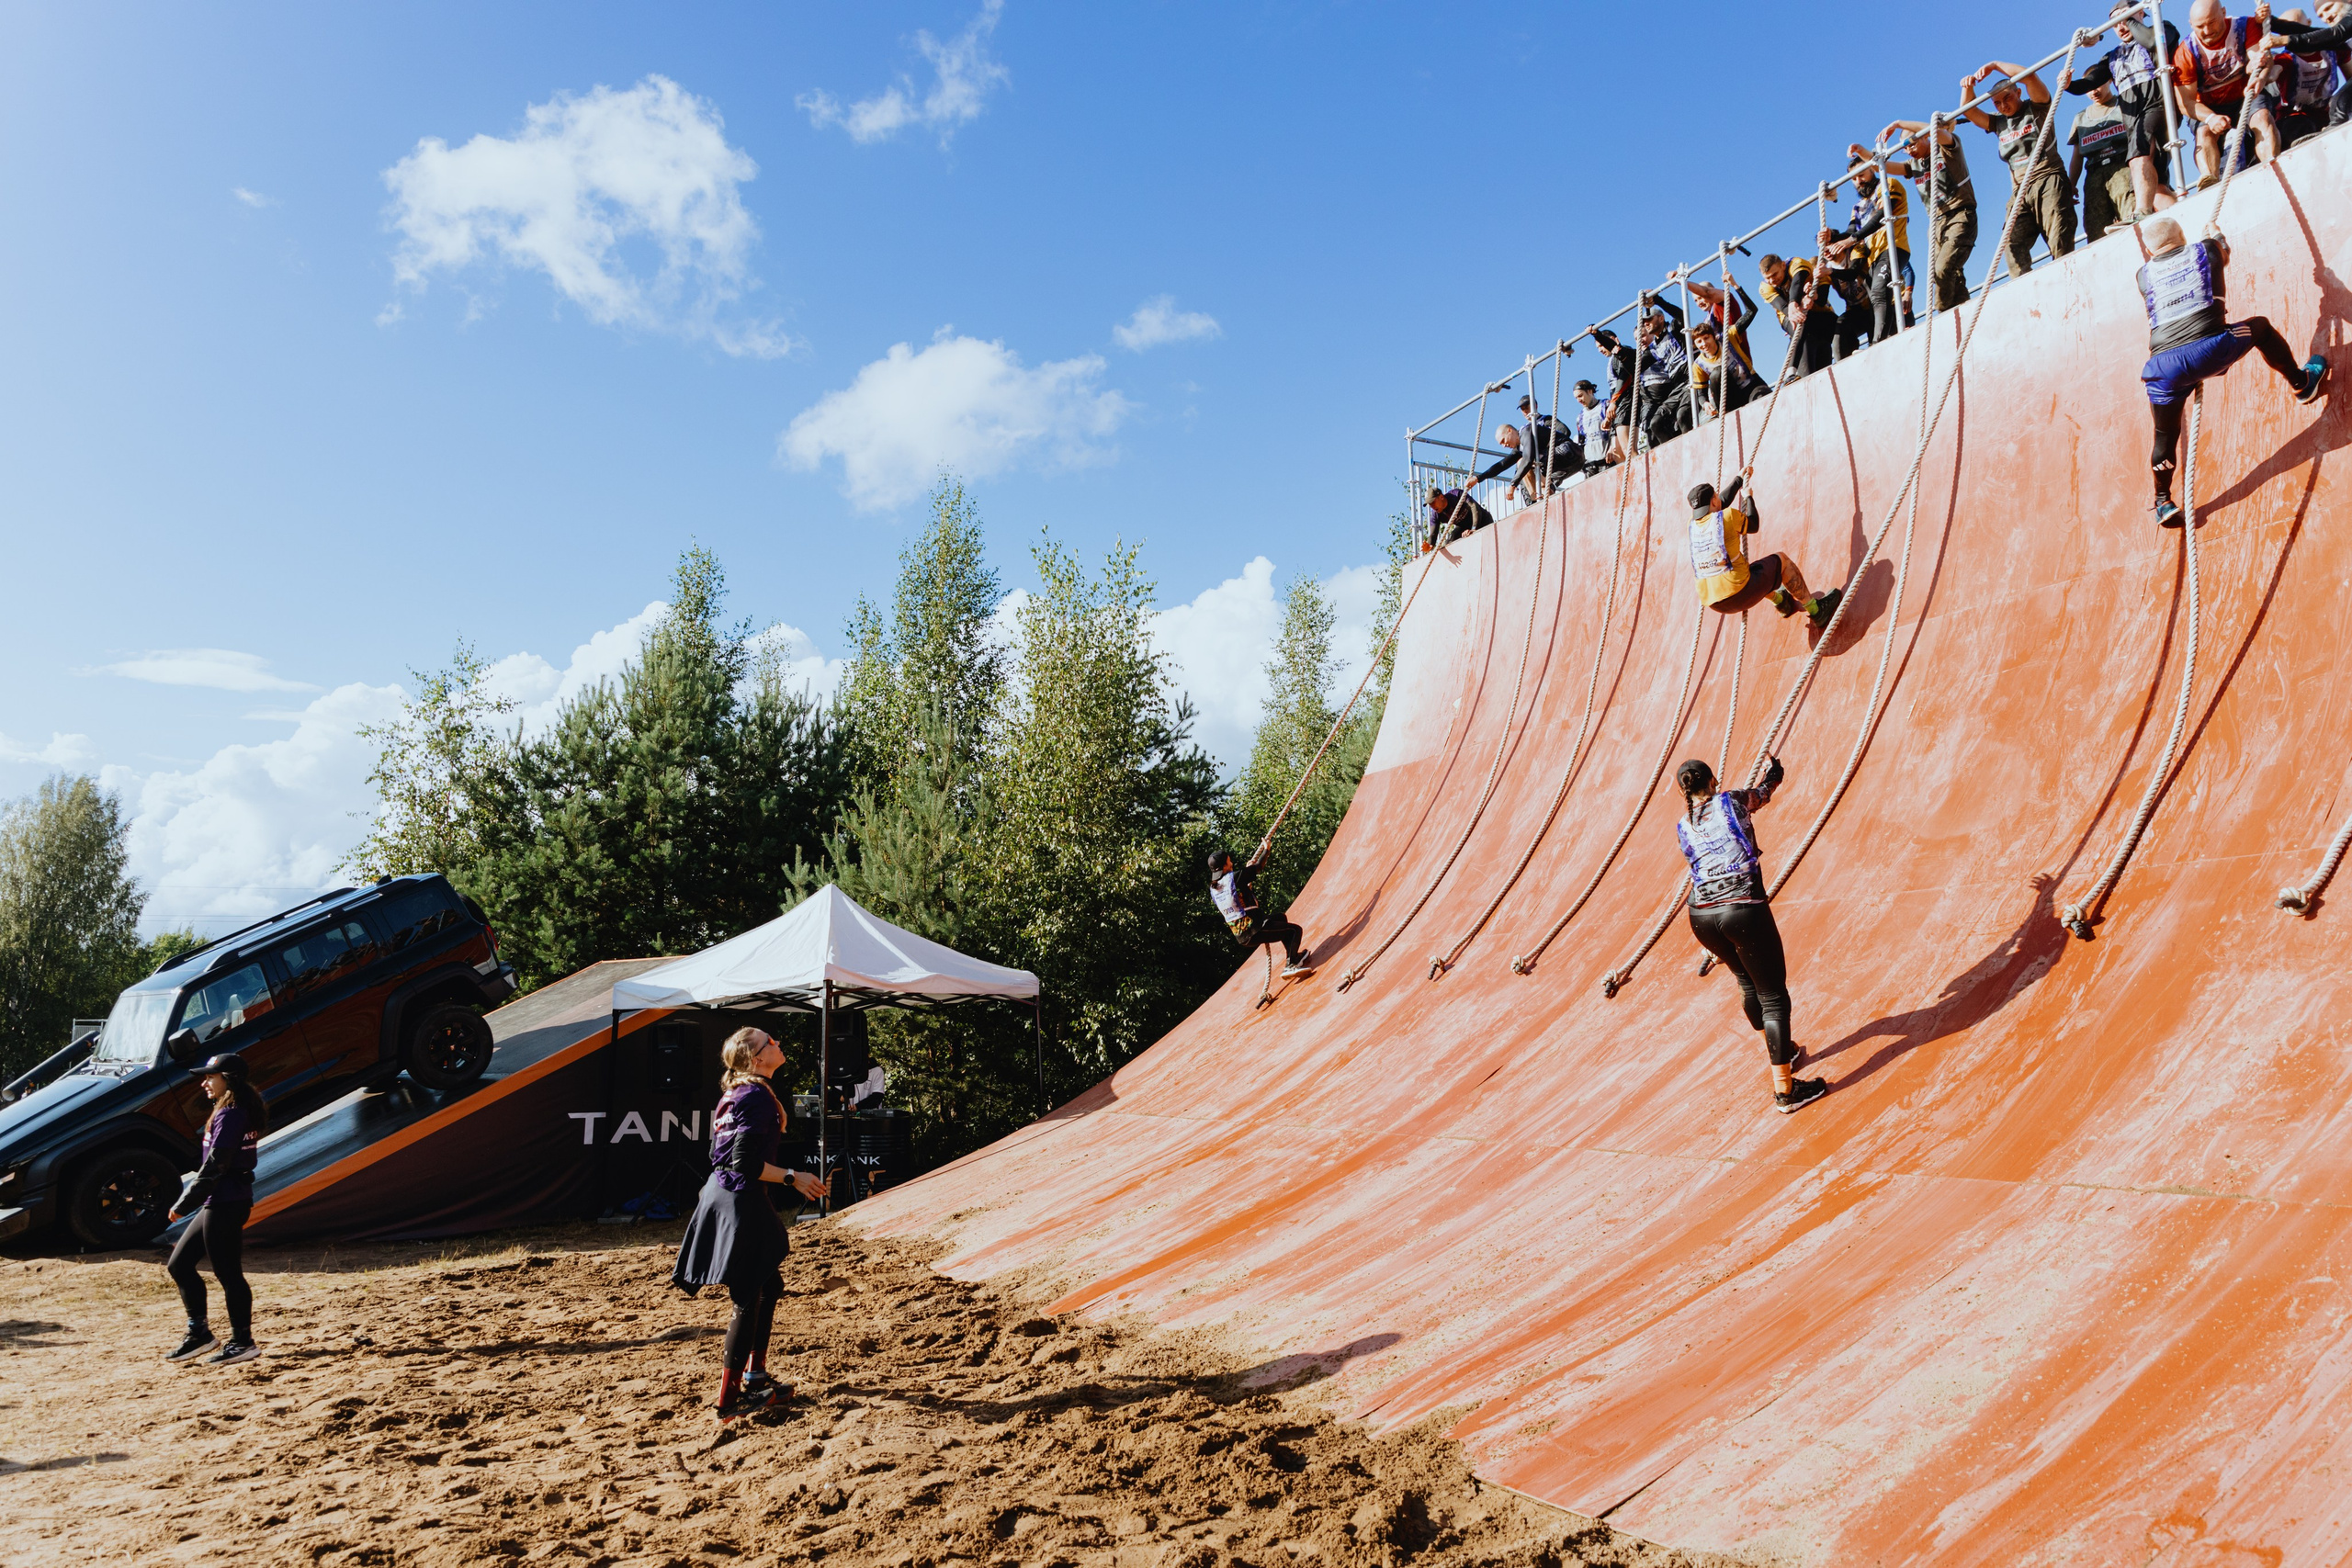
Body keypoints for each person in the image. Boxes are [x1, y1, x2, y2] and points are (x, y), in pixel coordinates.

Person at [673, 1028, 829, 1422]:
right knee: (749, 1296)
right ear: (756, 1059)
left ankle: (755, 1377)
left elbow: (717, 1154)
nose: (777, 1042)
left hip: (724, 1194)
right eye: (769, 1042)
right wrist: (795, 1176)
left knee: (768, 1285)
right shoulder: (756, 1095)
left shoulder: (736, 1093)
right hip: (738, 1197)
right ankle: (729, 1401)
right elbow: (742, 1162)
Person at [2135, 214, 2327, 526]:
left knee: (2164, 437)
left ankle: (2162, 501)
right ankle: (2302, 383)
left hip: (2163, 368)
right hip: (2212, 348)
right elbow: (2223, 252)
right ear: (2183, 234)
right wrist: (2217, 234)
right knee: (2261, 328)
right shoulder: (2206, 249)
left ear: (2150, 250)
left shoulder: (2143, 275)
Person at [1672, 756, 1827, 1115]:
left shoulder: (1683, 824)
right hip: (1743, 910)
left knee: (1746, 985)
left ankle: (1782, 1053)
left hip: (1701, 917)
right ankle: (1786, 1091)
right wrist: (1775, 775)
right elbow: (1763, 794)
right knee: (1773, 997)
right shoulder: (1731, 800)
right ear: (1712, 781)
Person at [164, 1054, 267, 1367]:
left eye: (211, 1076)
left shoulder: (233, 1114)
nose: (204, 1082)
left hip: (227, 1202)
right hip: (219, 1201)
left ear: (229, 1078)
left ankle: (242, 1342)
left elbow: (215, 1166)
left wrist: (184, 1204)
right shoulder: (228, 1109)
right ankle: (200, 1335)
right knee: (179, 1265)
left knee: (228, 1274)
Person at [2064, 1, 2183, 219]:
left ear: (2140, 13)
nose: (2120, 27)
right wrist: (2068, 83)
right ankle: (2182, 217)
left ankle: (2140, 213)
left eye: (2125, 19)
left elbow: (2151, 41)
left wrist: (2127, 18)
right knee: (2156, 188)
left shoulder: (2162, 27)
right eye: (2115, 24)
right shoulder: (2112, 56)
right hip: (2133, 119)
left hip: (2158, 107)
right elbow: (2088, 84)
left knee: (2138, 159)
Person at [1961, 61, 2079, 279]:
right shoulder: (1998, 123)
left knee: (2059, 239)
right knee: (2011, 243)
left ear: (2018, 92)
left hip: (2048, 177)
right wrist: (1967, 87)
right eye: (1997, 103)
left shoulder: (2037, 106)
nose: (2003, 105)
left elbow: (2030, 77)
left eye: (2007, 98)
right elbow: (1968, 111)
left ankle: (2067, 280)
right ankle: (2025, 288)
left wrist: (1995, 65)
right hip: (2019, 190)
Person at [1688, 469, 1842, 629]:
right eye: (1715, 496)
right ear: (1713, 501)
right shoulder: (1728, 517)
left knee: (1752, 571)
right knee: (1781, 560)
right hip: (1741, 593)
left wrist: (1739, 479)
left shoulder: (1691, 526)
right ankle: (1816, 611)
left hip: (1716, 605)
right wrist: (1748, 498)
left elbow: (1720, 504)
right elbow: (1753, 524)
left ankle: (1781, 602)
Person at [2174, 0, 2280, 184]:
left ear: (2223, 13)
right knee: (2204, 133)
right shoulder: (2185, 53)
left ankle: (2272, 168)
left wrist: (2259, 74)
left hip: (2245, 94)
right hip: (2208, 106)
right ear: (2191, 25)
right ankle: (2210, 182)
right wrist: (2210, 118)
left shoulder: (2245, 26)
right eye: (2200, 26)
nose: (2207, 31)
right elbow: (2186, 103)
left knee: (2262, 117)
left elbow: (2259, 60)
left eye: (2212, 22)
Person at [1881, 118, 1979, 311]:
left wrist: (1899, 123)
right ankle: (1962, 308)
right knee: (1949, 273)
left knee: (1942, 269)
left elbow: (1937, 132)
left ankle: (1942, 311)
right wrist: (1862, 153)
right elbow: (1882, 168)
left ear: (1925, 137)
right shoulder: (1913, 165)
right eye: (1905, 148)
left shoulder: (1946, 149)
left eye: (1912, 143)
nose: (1910, 150)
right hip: (1936, 224)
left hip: (1959, 214)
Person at [1824, 153, 1914, 343]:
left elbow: (1881, 216)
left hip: (1893, 246)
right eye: (1854, 179)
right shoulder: (1858, 206)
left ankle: (1878, 342)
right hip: (1873, 256)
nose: (1858, 181)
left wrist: (1852, 240)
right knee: (1877, 298)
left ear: (1873, 169)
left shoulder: (1888, 185)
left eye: (1862, 175)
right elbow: (1850, 231)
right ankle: (1887, 338)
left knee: (1879, 292)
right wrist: (1832, 236)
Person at [1207, 847, 1310, 976]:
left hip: (1242, 935)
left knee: (1280, 918)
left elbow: (1237, 895)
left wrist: (1245, 876)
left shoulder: (1215, 888)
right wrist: (1266, 850)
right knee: (1295, 931)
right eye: (1229, 861)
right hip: (1254, 930)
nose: (1232, 864)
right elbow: (1259, 867)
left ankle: (1294, 957)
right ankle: (1290, 966)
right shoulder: (1233, 878)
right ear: (1224, 866)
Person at [2068, 81, 2141, 241]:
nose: (2093, 91)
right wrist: (2071, 184)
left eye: (2097, 85)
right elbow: (2077, 155)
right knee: (2095, 226)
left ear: (2108, 82)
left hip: (2122, 166)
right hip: (2094, 172)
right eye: (2088, 89)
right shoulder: (2080, 118)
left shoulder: (2124, 104)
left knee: (2130, 211)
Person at [2267, 7, 2347, 144]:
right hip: (2294, 117)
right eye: (2284, 29)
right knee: (2300, 125)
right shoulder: (2286, 59)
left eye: (2293, 26)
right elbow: (2271, 76)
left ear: (2308, 22)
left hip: (2326, 112)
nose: (2291, 32)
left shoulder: (2334, 49)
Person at [1758, 253, 1844, 376]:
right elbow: (1783, 306)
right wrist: (1795, 305)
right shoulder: (1765, 287)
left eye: (1775, 274)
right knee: (1801, 325)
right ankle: (1791, 371)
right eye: (1768, 278)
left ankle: (1845, 356)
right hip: (1791, 317)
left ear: (1783, 265)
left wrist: (1812, 296)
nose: (1772, 280)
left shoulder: (1800, 266)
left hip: (1817, 315)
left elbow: (1799, 283)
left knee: (1840, 326)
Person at [1690, 320, 1770, 413]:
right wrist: (1704, 404)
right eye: (1699, 341)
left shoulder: (1728, 338)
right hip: (1731, 398)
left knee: (1761, 400)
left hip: (1751, 385)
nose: (1704, 344)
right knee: (1717, 373)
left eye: (1706, 338)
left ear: (1713, 337)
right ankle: (1726, 413)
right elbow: (1701, 393)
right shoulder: (1698, 364)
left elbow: (1751, 312)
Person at [1424, 483, 1496, 551]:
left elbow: (1474, 507)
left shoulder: (1456, 495)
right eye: (1430, 504)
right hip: (1464, 527)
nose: (1432, 506)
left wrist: (1474, 528)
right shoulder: (1435, 514)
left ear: (1441, 497)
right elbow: (1433, 534)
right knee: (1449, 542)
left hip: (1483, 520)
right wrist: (1429, 544)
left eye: (1433, 502)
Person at [1572, 379, 1616, 475]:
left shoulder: (1606, 405)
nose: (1579, 400)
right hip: (1590, 463)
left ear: (1590, 391)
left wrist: (1613, 447)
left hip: (1607, 459)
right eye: (1576, 398)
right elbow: (1582, 441)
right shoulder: (1580, 417)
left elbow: (1616, 428)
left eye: (1580, 396)